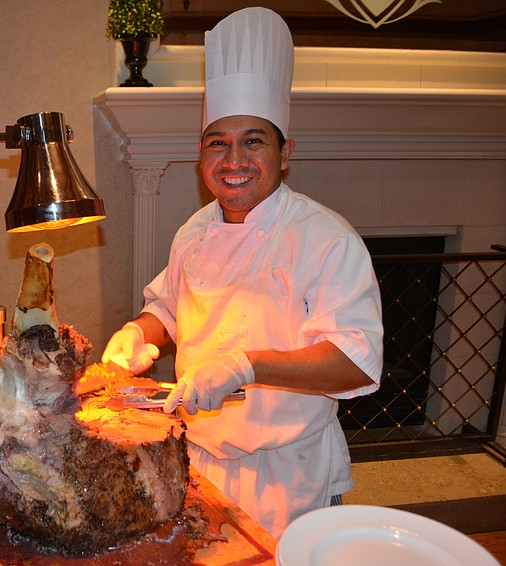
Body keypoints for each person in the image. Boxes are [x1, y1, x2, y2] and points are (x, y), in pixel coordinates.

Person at [102, 7, 384, 539]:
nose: (233, 159)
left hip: (288, 477)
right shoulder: (195, 229)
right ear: (200, 154)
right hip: (201, 461)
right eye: (217, 142)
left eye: (253, 140)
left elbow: (356, 363)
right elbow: (168, 306)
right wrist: (140, 334)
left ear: (285, 154)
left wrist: (246, 366)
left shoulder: (327, 239)